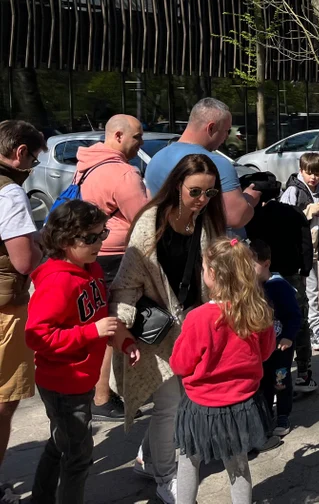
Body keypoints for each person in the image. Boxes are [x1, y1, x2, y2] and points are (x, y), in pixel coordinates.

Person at [110, 154, 227, 504]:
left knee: (186, 401)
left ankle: (149, 458)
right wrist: (122, 334)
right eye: (195, 192)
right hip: (154, 332)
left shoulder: (205, 221)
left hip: (193, 328)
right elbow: (125, 285)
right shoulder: (151, 223)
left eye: (210, 193)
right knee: (170, 406)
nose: (203, 200)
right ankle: (166, 478)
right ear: (177, 185)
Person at [26, 200, 130, 504]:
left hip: (81, 378)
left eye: (102, 233)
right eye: (90, 237)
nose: (100, 242)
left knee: (61, 446)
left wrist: (122, 340)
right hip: (62, 382)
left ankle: (40, 499)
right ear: (63, 240)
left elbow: (98, 315)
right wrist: (91, 332)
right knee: (78, 457)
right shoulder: (57, 281)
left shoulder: (92, 268)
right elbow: (38, 336)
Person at [170, 238, 275, 504]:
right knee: (238, 465)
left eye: (204, 267)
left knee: (188, 459)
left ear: (212, 275)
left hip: (200, 406)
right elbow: (264, 353)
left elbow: (180, 364)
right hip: (241, 405)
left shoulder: (198, 318)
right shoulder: (257, 311)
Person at [75, 114, 149, 421]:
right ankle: (102, 395)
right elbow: (145, 219)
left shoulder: (87, 165)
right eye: (137, 137)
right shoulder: (123, 174)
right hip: (116, 256)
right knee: (111, 326)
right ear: (118, 136)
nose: (141, 144)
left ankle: (99, 392)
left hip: (91, 255)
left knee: (98, 322)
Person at [0, 120, 45, 502]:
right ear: (20, 153)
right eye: (33, 157)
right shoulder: (9, 193)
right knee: (2, 401)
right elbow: (23, 260)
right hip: (3, 310)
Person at [245, 174, 317, 395]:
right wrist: (305, 269)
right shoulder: (293, 213)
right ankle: (304, 371)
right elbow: (306, 242)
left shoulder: (253, 218)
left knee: (264, 320)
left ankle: (268, 369)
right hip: (292, 273)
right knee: (299, 320)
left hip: (262, 276)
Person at [144, 98, 260, 233]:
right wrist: (250, 198)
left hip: (167, 243)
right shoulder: (214, 163)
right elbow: (236, 218)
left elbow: (150, 205)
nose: (226, 137)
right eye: (226, 131)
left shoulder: (156, 158)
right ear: (211, 128)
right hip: (210, 248)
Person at [282, 153, 319, 355]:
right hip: (297, 251)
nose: (313, 177)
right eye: (309, 172)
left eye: (317, 172)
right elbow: (285, 219)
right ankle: (309, 331)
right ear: (301, 169)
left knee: (311, 292)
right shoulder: (293, 190)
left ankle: (314, 330)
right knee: (302, 293)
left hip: (312, 249)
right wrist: (307, 211)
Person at [249, 240, 300, 438]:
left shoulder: (279, 286)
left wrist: (288, 337)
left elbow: (294, 315)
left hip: (281, 346)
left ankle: (283, 415)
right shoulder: (251, 288)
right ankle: (266, 413)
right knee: (263, 381)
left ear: (266, 263)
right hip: (262, 347)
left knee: (281, 379)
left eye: (252, 265)